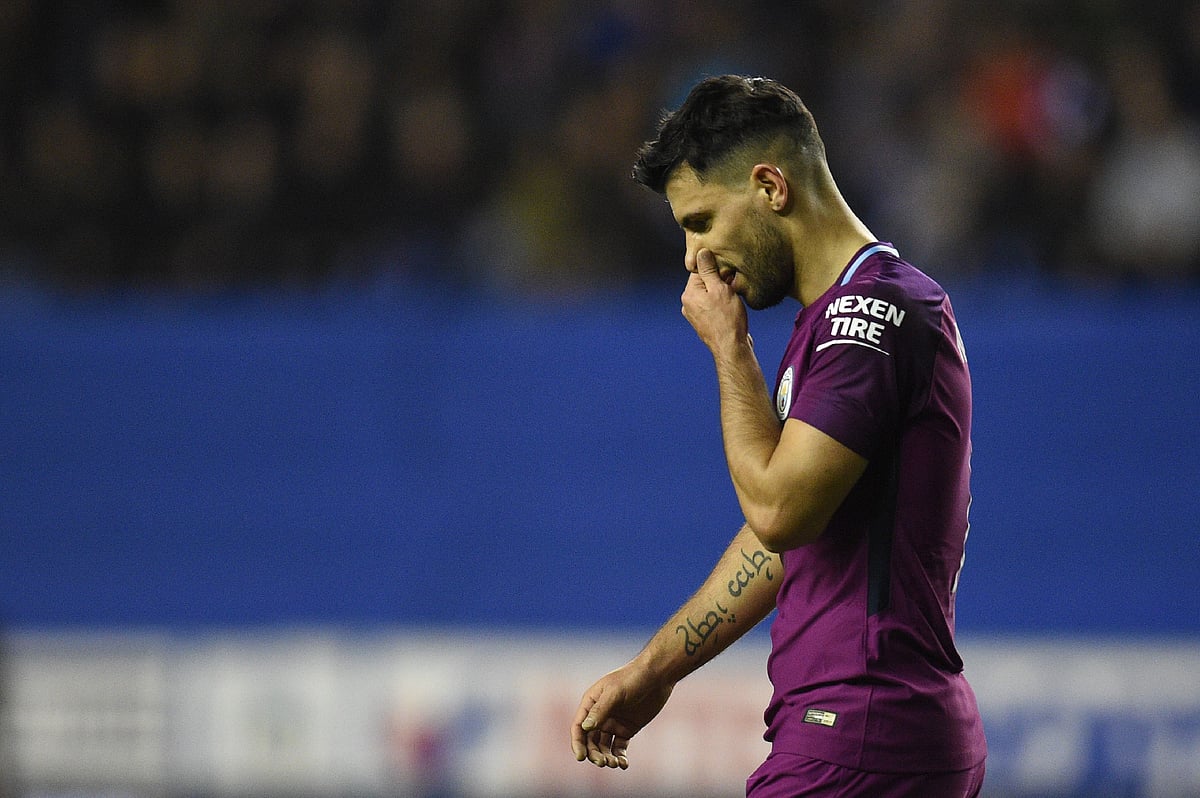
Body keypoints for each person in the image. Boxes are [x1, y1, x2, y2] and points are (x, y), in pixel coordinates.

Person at [569, 75, 987, 797]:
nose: (694, 257)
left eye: (701, 221)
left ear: (770, 186)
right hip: (874, 734)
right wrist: (656, 668)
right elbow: (781, 543)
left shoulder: (870, 318)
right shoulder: (843, 318)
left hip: (859, 732)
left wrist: (730, 350)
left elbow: (778, 511)